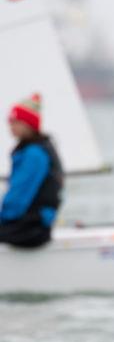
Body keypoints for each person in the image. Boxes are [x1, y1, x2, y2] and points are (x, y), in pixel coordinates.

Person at [0, 93, 63, 248]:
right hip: (30, 225)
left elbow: (18, 198)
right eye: (10, 122)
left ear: (28, 124)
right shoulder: (32, 150)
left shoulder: (34, 154)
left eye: (15, 122)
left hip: (32, 228)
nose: (11, 126)